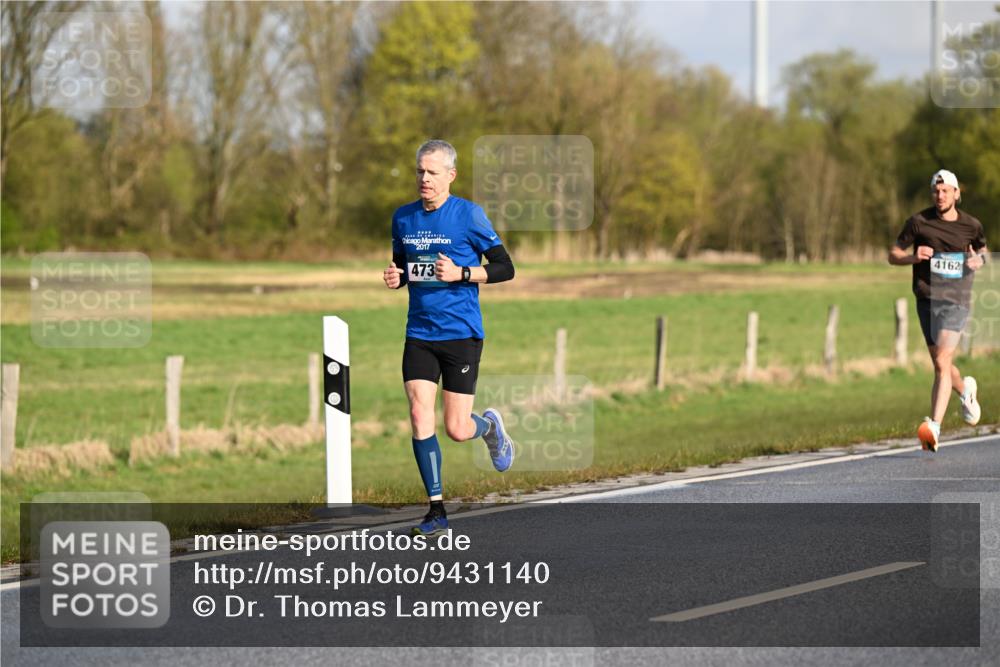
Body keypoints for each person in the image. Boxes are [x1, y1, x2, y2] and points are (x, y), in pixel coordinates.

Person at [383, 139, 516, 536]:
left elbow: (505, 268)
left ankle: (490, 429)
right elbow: (403, 267)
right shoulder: (403, 219)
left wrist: (461, 273)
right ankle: (436, 509)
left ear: (450, 176)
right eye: (420, 171)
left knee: (457, 429)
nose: (424, 179)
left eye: (433, 172)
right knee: (419, 413)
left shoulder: (468, 216)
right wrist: (396, 278)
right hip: (419, 332)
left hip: (460, 334)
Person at [889, 169, 988, 451]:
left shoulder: (971, 225)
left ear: (956, 193)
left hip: (957, 299)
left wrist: (978, 261)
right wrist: (912, 257)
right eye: (936, 190)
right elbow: (892, 254)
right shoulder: (919, 222)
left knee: (944, 359)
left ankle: (933, 427)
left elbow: (982, 250)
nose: (940, 195)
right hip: (926, 299)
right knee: (940, 364)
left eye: (945, 190)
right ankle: (965, 390)